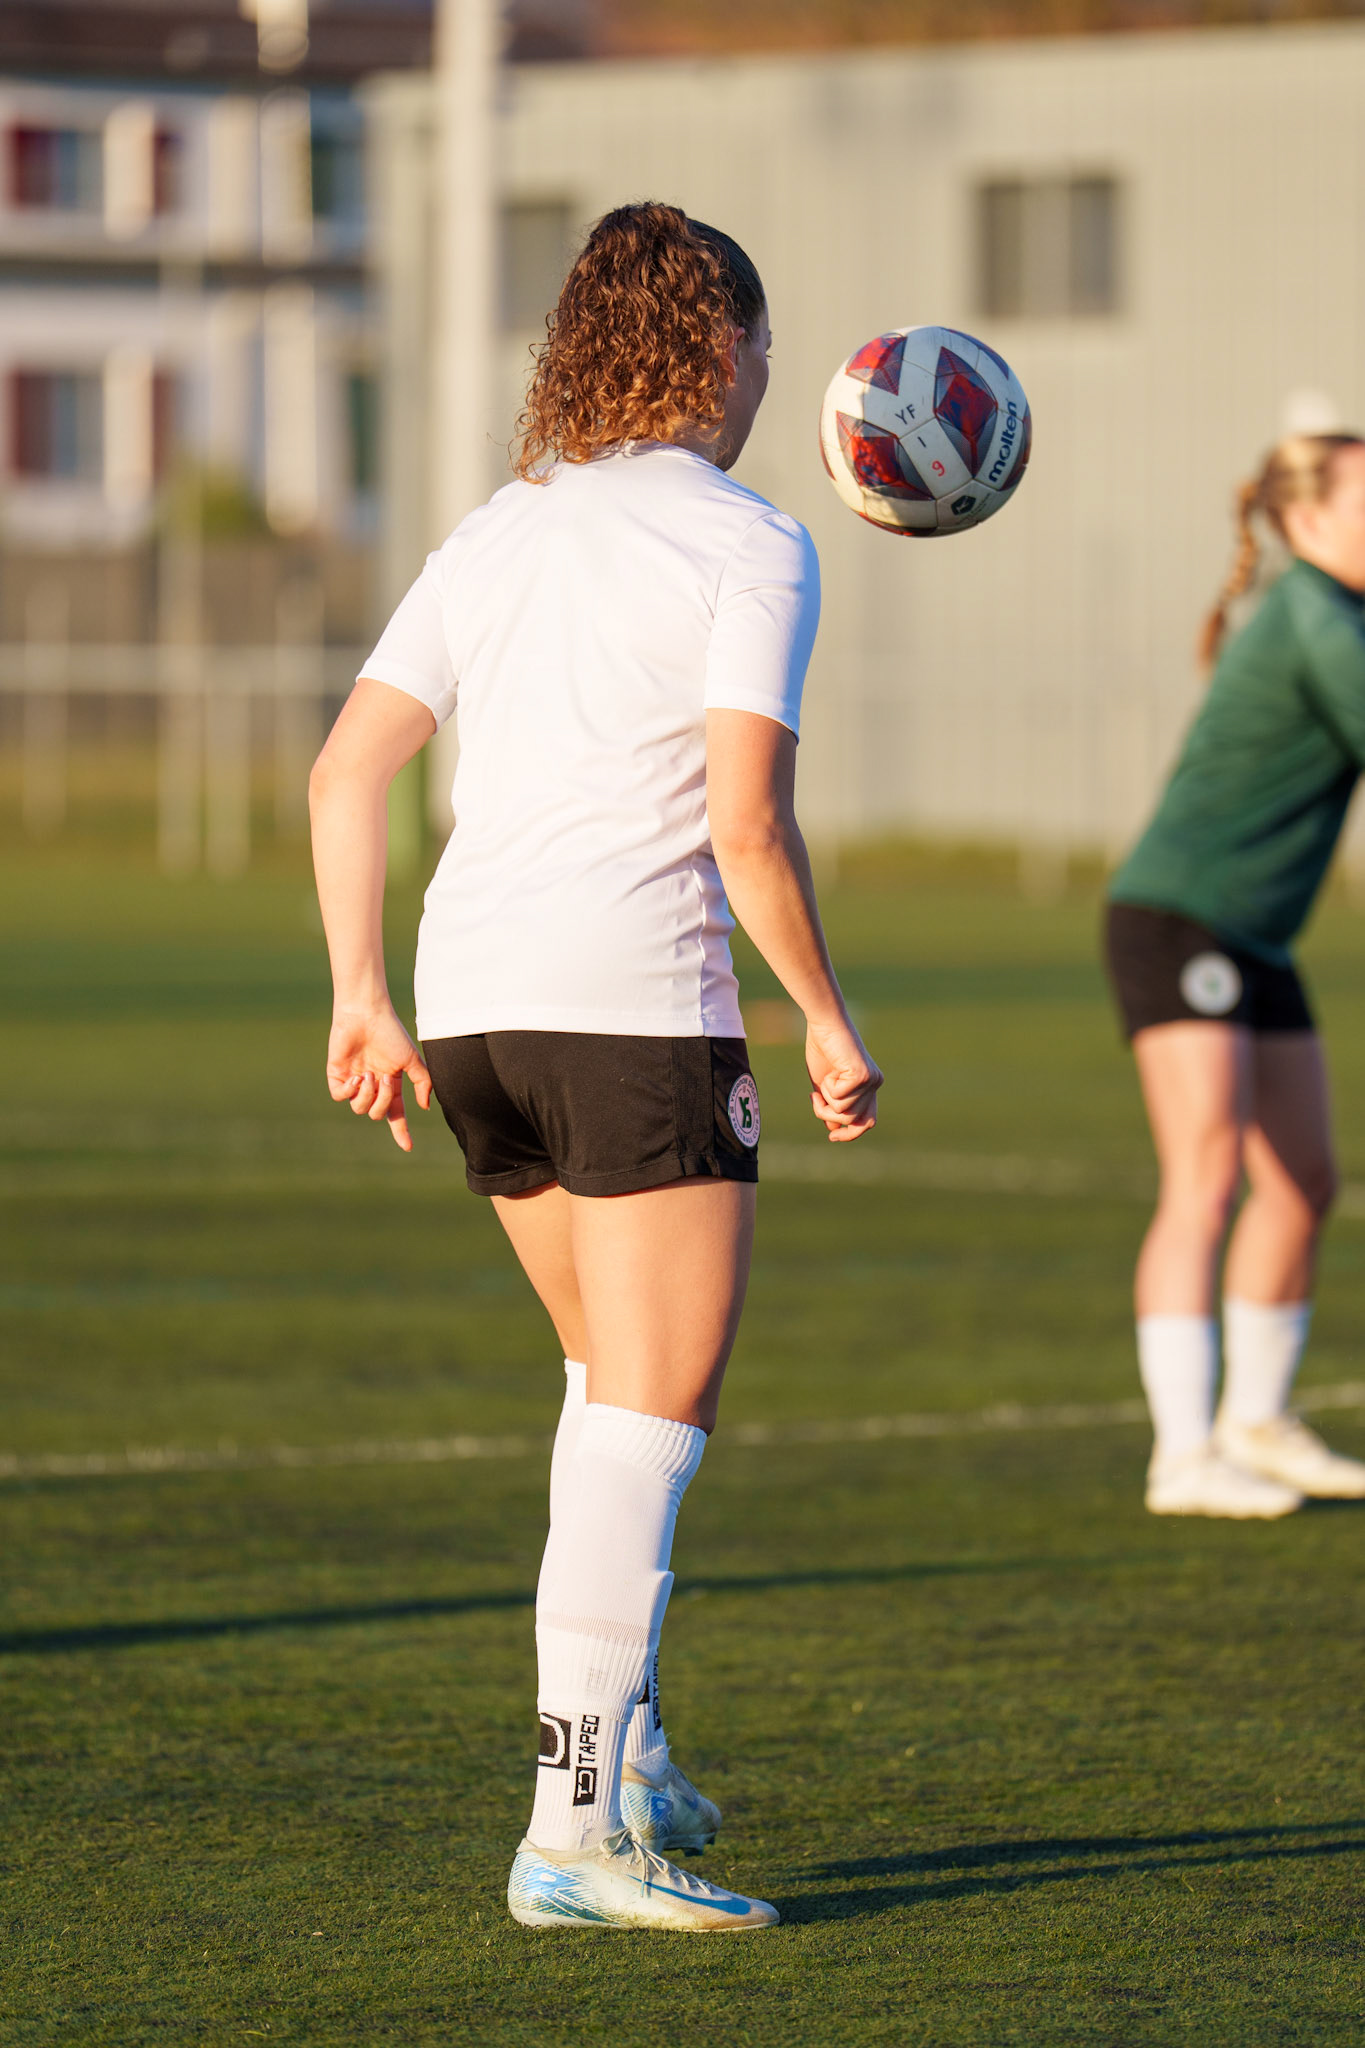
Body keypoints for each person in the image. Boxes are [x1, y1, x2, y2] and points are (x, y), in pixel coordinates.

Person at [309, 203, 882, 1930]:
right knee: (654, 1409)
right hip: (630, 1002)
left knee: (596, 1384)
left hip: (471, 1005)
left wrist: (357, 990)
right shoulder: (750, 539)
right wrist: (829, 1014)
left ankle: (617, 1755)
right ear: (723, 351)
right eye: (766, 351)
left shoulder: (502, 528)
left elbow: (349, 773)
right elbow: (745, 819)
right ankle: (571, 1830)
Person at [1105, 432, 1365, 1519]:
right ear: (1305, 523)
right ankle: (1182, 1457)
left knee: (1303, 1179)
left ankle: (1255, 1419)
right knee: (1205, 1182)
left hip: (1253, 939)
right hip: (1180, 922)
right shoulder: (1315, 614)